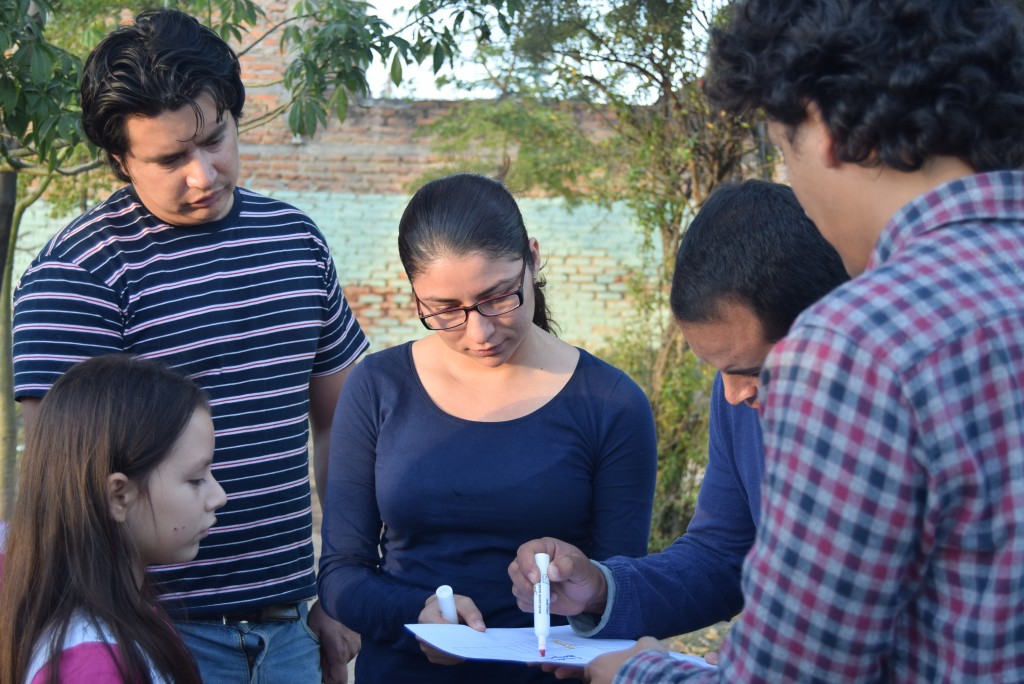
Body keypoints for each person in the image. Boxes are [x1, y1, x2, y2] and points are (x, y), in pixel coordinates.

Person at [608, 0, 1024, 681]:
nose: (794, 188)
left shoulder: (860, 344)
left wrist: (635, 671)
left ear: (821, 123)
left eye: (780, 149)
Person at [10, 9, 369, 683]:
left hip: (293, 628)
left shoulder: (295, 243)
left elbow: (344, 428)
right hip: (148, 638)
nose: (203, 174)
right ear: (119, 160)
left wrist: (342, 587)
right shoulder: (78, 275)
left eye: (215, 139)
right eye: (170, 158)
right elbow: (67, 494)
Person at [317, 171, 659, 683]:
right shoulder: (377, 387)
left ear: (533, 259)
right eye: (445, 310)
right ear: (414, 292)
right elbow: (342, 572)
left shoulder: (610, 403)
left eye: (498, 297)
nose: (479, 331)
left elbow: (621, 588)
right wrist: (415, 614)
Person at [508, 180, 848, 657]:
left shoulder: (894, 410)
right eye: (718, 371)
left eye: (752, 370)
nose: (732, 395)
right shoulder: (737, 397)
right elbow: (722, 554)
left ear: (825, 322)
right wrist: (600, 590)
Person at [0, 354, 227, 683]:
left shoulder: (127, 610)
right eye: (196, 479)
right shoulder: (93, 666)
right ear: (119, 496)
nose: (219, 497)